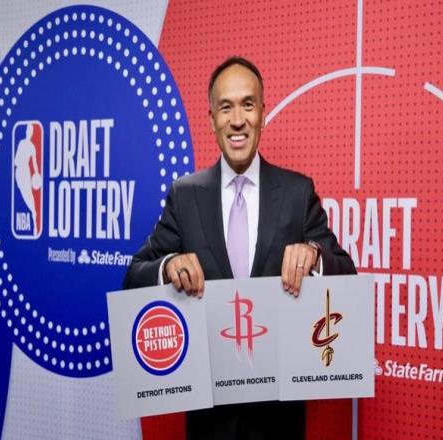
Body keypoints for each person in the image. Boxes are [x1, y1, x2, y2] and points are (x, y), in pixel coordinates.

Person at [124, 56, 356, 440]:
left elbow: (347, 274)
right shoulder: (184, 195)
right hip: (208, 423)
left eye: (248, 105)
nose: (237, 120)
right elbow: (133, 276)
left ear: (263, 113)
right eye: (225, 107)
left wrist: (315, 256)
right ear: (211, 118)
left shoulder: (297, 192)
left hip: (279, 423)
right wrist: (167, 267)